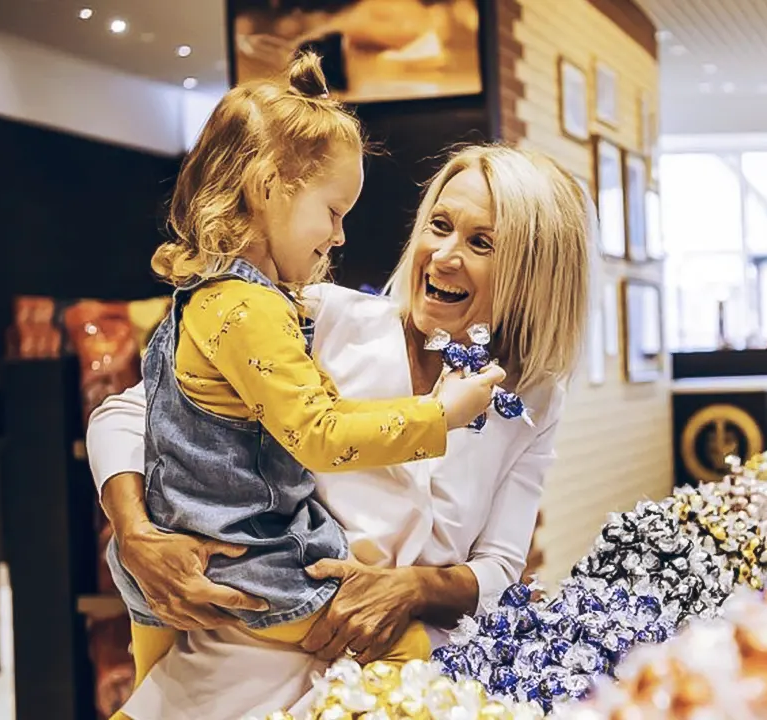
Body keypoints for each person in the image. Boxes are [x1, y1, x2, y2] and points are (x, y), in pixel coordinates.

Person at [87, 141, 592, 718]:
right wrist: (135, 532)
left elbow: (500, 568)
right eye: (440, 226)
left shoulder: (535, 396)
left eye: (482, 243)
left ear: (537, 272)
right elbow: (128, 414)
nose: (444, 256)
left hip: (402, 685)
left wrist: (412, 588)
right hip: (240, 662)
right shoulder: (317, 315)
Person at [104, 50, 506, 695]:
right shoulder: (251, 310)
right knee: (407, 660)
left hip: (184, 556)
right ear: (268, 188)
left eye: (483, 242)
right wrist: (442, 414)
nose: (341, 236)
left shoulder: (207, 297)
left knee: (159, 692)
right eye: (334, 211)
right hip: (248, 557)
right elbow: (319, 432)